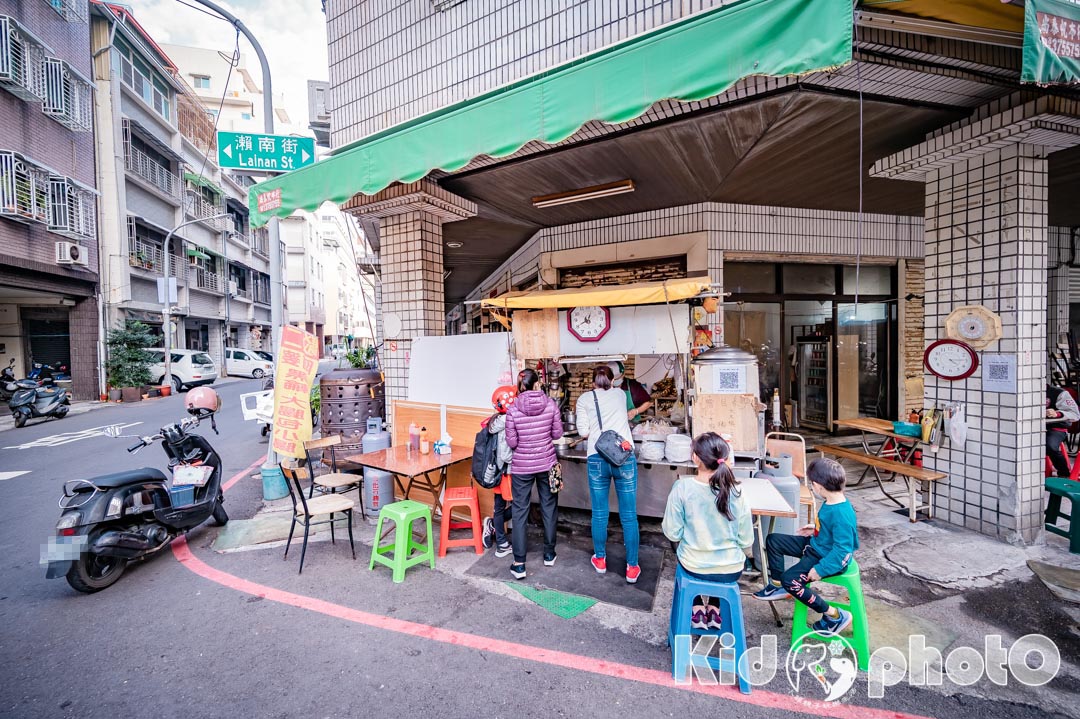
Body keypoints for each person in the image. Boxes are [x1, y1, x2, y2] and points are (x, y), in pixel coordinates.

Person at [753, 457, 859, 637]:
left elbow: (843, 551)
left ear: (818, 486)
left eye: (812, 484)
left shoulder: (842, 514)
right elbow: (829, 530)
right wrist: (816, 529)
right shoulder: (832, 501)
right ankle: (778, 585)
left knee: (791, 580)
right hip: (816, 546)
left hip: (826, 559)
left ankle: (834, 615)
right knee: (773, 540)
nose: (812, 487)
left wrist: (820, 569)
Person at [662, 432, 753, 629]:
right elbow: (746, 540)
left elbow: (672, 533)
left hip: (694, 565)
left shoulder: (682, 488)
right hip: (731, 569)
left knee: (685, 557)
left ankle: (696, 609)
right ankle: (713, 607)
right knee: (717, 569)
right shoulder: (738, 491)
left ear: (695, 457)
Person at [576, 365, 641, 583]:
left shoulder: (584, 399)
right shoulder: (621, 395)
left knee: (600, 513)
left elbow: (583, 432)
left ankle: (601, 560)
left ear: (592, 381)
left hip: (597, 457)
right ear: (612, 381)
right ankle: (632, 567)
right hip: (623, 457)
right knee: (629, 515)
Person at [505, 368, 562, 580]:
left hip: (521, 467)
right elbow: (557, 433)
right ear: (537, 384)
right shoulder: (550, 404)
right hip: (547, 463)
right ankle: (549, 553)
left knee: (520, 511)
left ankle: (519, 563)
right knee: (549, 506)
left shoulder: (512, 409)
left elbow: (512, 442)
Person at [481, 385, 516, 557]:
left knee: (501, 506)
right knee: (512, 506)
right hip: (505, 472)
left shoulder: (498, 419)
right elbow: (505, 455)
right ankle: (502, 543)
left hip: (499, 471)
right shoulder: (506, 422)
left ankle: (492, 525)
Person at [1046, 384, 1079, 477]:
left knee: (1049, 446)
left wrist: (1058, 414)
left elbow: (1075, 414)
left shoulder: (1059, 393)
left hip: (1056, 427)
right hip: (1033, 428)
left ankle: (1064, 473)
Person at [610, 361, 652, 426]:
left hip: (632, 425)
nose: (615, 380)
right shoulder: (604, 387)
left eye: (617, 377)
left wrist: (636, 411)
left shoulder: (633, 385)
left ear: (623, 373)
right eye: (612, 379)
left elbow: (648, 403)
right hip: (611, 426)